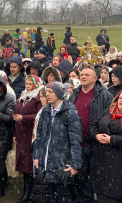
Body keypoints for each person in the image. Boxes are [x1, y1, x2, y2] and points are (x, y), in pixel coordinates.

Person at [68, 68, 113, 203]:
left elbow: (109, 118)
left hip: (95, 143)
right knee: (77, 176)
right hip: (76, 144)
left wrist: (99, 133)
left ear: (95, 78)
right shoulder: (74, 94)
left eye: (87, 75)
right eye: (81, 74)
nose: (83, 77)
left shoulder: (105, 95)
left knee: (92, 178)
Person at [33, 82, 82, 202]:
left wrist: (75, 165)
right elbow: (39, 137)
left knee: (62, 197)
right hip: (45, 165)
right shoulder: (45, 111)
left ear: (59, 94)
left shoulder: (70, 112)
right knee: (47, 197)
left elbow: (76, 141)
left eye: (51, 92)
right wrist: (36, 156)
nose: (47, 95)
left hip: (61, 166)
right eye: (46, 92)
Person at [13, 75, 43, 203]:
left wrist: (23, 118)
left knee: (30, 164)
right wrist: (15, 133)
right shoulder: (22, 96)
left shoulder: (38, 98)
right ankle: (27, 191)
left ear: (36, 85)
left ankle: (30, 193)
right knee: (24, 164)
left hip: (31, 134)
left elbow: (38, 115)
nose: (27, 86)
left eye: (30, 84)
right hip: (21, 133)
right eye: (26, 83)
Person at [91, 91, 122, 202]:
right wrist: (96, 135)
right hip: (102, 161)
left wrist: (111, 140)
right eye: (120, 98)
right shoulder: (108, 112)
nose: (121, 100)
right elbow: (94, 125)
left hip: (117, 165)